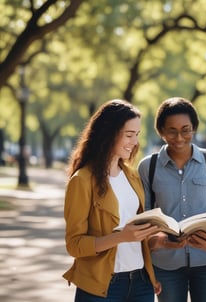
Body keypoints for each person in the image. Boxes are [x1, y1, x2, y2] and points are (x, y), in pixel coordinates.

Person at [63, 99, 161, 302]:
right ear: (108, 134)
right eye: (129, 135)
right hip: (103, 287)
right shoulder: (81, 181)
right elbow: (74, 245)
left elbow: (134, 233)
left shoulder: (132, 176)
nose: (135, 142)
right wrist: (120, 237)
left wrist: (157, 239)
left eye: (137, 135)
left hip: (141, 282)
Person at [137, 97, 206, 302]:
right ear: (161, 131)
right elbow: (145, 214)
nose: (179, 137)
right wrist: (159, 240)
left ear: (194, 128)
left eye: (186, 129)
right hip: (165, 263)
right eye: (172, 130)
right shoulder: (147, 167)